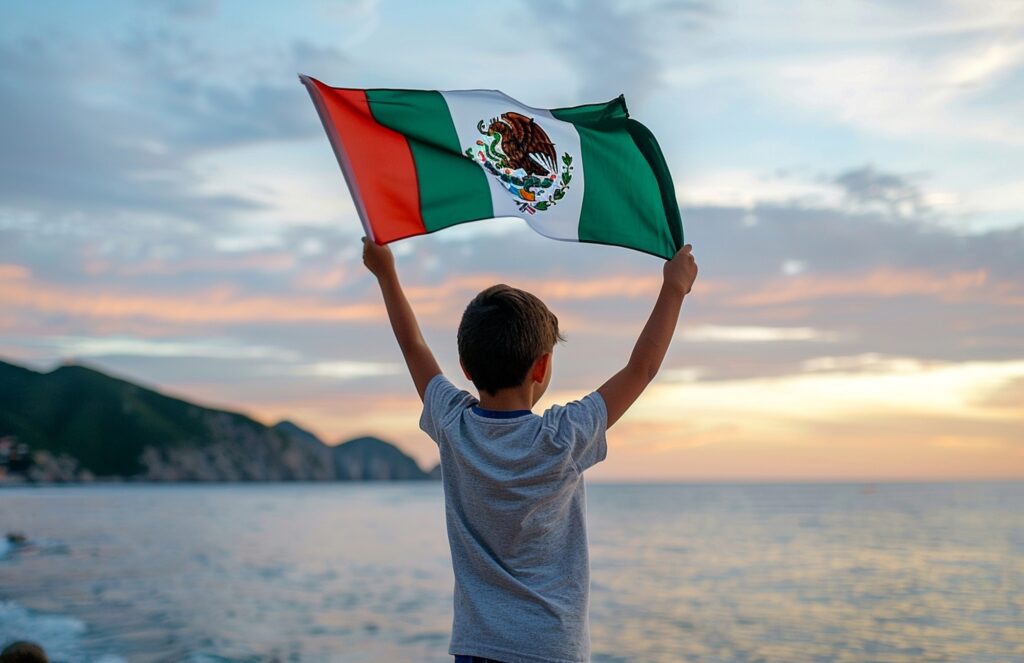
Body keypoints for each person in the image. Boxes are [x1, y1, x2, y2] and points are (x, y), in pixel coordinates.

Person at [362, 237, 698, 663]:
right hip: (550, 649)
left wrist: (386, 272)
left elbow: (414, 348)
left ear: (466, 368)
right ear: (541, 367)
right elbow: (642, 368)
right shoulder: (563, 437)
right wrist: (675, 287)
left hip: (477, 649)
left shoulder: (454, 426)